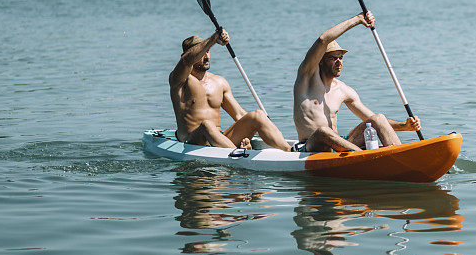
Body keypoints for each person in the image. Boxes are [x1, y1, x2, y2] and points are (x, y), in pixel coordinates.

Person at [293, 12, 421, 152]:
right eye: (333, 58)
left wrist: (405, 126)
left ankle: (401, 155)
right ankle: (364, 157)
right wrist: (358, 20)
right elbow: (322, 40)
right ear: (321, 61)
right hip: (310, 146)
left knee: (378, 118)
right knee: (324, 131)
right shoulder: (306, 78)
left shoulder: (343, 90)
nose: (339, 62)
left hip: (339, 145)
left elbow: (372, 119)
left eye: (341, 57)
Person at [170, 30, 290, 151]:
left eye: (208, 51)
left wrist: (262, 125)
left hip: (220, 140)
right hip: (192, 142)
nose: (206, 56)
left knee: (257, 115)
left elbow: (239, 115)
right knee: (207, 124)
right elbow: (187, 60)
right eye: (201, 52)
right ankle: (240, 154)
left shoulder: (219, 82)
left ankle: (289, 150)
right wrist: (214, 38)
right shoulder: (179, 80)